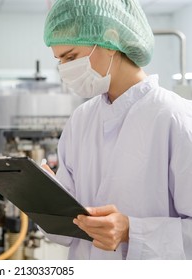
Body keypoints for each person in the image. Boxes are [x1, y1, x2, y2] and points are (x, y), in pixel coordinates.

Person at [40, 0, 192, 259]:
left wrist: (132, 232)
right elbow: (66, 229)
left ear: (110, 40)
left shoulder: (175, 117)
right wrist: (43, 197)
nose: (64, 70)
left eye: (71, 57)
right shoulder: (81, 120)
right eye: (59, 60)